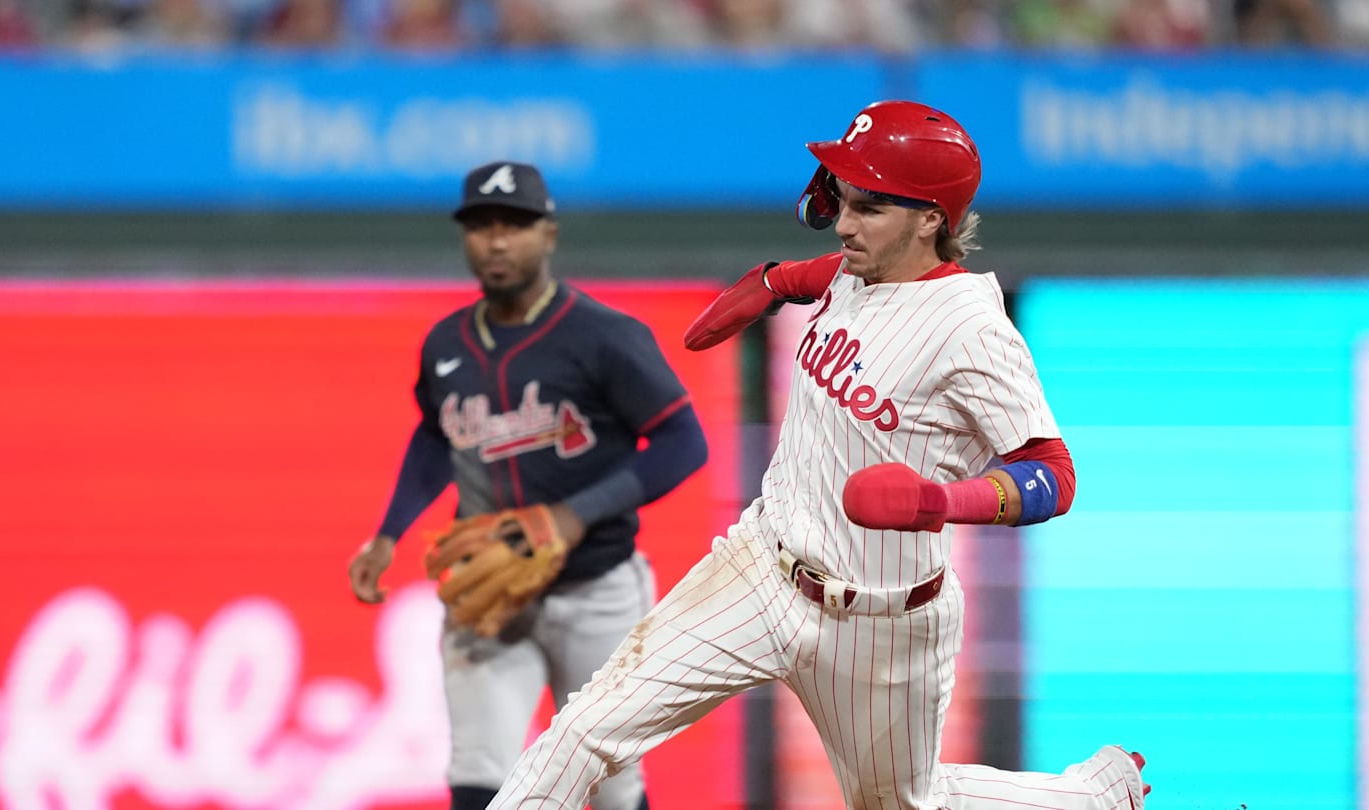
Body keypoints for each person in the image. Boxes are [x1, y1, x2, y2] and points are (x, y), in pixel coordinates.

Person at [484, 101, 1152, 810]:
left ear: (931, 219)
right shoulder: (861, 267)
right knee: (586, 729)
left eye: (869, 207)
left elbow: (1053, 473)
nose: (844, 222)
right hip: (761, 570)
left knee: (902, 805)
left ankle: (1090, 798)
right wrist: (776, 279)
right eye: (843, 199)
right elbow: (830, 270)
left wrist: (943, 502)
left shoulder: (972, 331)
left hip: (884, 621)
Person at [347, 160, 709, 810]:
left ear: (548, 233)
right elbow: (436, 434)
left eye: (514, 224)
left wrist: (575, 514)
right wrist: (388, 532)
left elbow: (685, 442)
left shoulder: (605, 336)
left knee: (613, 788)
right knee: (478, 780)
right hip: (493, 596)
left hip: (599, 589)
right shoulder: (446, 343)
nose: (496, 240)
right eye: (481, 225)